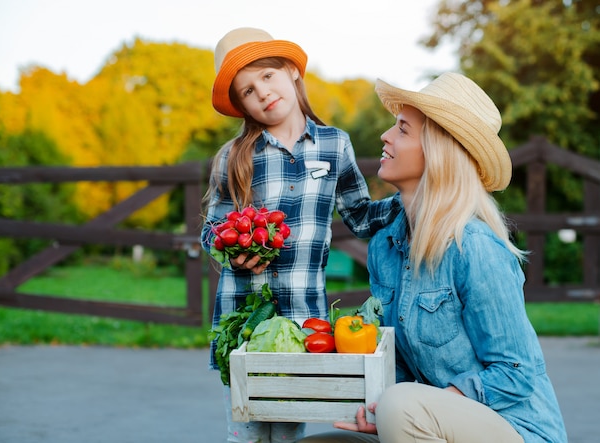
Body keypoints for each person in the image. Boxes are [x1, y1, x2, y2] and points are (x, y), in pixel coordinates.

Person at [297, 73, 568, 442]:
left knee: (401, 404)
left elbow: (515, 372)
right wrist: (387, 411)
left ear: (438, 152)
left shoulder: (474, 247)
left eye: (403, 130)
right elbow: (403, 369)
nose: (386, 137)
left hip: (518, 429)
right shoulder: (385, 247)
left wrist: (416, 407)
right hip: (430, 419)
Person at [201, 27, 397, 443]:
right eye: (248, 91)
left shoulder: (334, 145)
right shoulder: (233, 157)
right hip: (242, 323)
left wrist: (411, 200)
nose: (263, 94)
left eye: (267, 76)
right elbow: (212, 229)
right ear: (242, 107)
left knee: (289, 429)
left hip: (300, 319)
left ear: (290, 71)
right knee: (249, 429)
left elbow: (361, 217)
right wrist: (229, 252)